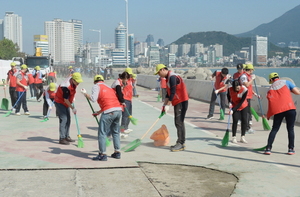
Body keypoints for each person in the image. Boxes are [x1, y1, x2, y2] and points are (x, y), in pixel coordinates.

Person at [81, 75, 123, 161]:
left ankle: (102, 154)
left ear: (94, 81)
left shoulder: (96, 86)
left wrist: (85, 94)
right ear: (103, 80)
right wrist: (99, 112)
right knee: (115, 132)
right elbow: (109, 101)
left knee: (102, 133)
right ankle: (117, 152)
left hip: (109, 112)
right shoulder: (108, 87)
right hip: (118, 110)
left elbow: (93, 99)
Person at [155, 64, 189, 152]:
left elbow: (173, 92)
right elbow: (168, 93)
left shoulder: (172, 77)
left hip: (181, 101)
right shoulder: (168, 78)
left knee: (179, 122)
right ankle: (181, 142)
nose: (159, 75)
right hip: (178, 101)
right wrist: (164, 105)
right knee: (178, 122)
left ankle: (181, 143)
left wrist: (168, 105)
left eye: (159, 73)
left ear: (163, 70)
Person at [264, 73, 300, 155]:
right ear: (278, 78)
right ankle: (291, 149)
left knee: (275, 129)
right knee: (290, 129)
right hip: (290, 108)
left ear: (271, 80)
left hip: (278, 111)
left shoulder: (270, 88)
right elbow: (297, 92)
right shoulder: (286, 82)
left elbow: (270, 100)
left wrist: (269, 113)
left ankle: (268, 148)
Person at [54, 72, 83, 145]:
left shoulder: (73, 80)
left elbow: (71, 93)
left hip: (66, 102)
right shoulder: (66, 86)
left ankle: (67, 136)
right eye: (77, 81)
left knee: (68, 119)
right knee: (64, 119)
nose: (78, 83)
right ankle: (62, 138)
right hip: (60, 102)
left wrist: (73, 98)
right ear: (73, 80)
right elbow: (65, 100)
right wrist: (72, 108)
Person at [239, 64, 259, 133]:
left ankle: (247, 127)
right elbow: (246, 84)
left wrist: (254, 93)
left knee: (248, 113)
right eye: (252, 70)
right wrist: (252, 79)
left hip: (248, 96)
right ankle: (246, 128)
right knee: (246, 113)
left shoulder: (248, 76)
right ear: (250, 70)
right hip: (245, 97)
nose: (252, 71)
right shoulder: (244, 76)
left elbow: (249, 87)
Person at [111, 71, 130, 138]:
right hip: (113, 102)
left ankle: (116, 132)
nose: (127, 80)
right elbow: (119, 93)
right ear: (124, 78)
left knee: (116, 118)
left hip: (115, 101)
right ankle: (116, 133)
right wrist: (122, 101)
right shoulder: (118, 83)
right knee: (116, 118)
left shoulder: (119, 82)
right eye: (127, 79)